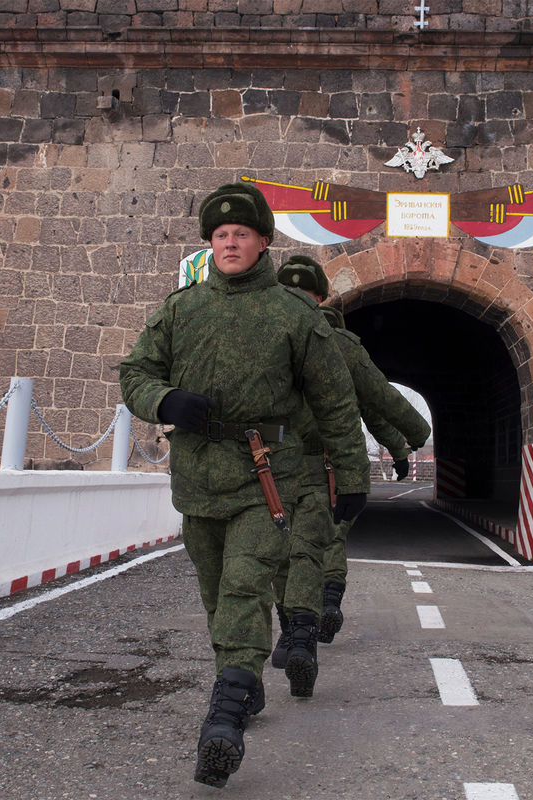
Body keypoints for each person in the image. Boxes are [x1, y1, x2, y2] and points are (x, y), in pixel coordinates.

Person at [118, 183, 370, 789]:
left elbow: (336, 402)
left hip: (266, 480)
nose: (230, 243)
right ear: (211, 243)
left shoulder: (294, 315)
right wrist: (165, 398)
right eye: (221, 235)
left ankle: (224, 720)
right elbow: (135, 373)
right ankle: (245, 678)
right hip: (197, 480)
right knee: (216, 597)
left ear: (263, 243)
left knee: (245, 589)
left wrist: (353, 477)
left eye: (242, 234)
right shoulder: (180, 310)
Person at [274, 256, 431, 644]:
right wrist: (409, 439)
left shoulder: (265, 336)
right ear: (322, 298)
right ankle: (325, 602)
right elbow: (378, 403)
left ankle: (295, 625)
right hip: (334, 463)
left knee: (287, 545)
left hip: (276, 463)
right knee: (330, 538)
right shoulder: (341, 346)